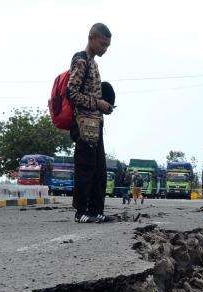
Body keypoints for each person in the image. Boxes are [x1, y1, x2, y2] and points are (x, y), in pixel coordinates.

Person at [68, 23, 113, 223]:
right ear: (92, 38)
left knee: (99, 170)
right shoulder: (81, 61)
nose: (105, 49)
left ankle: (96, 210)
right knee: (85, 168)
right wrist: (97, 103)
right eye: (102, 44)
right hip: (84, 124)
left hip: (96, 124)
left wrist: (105, 105)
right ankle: (81, 211)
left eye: (107, 46)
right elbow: (72, 94)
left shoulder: (94, 63)